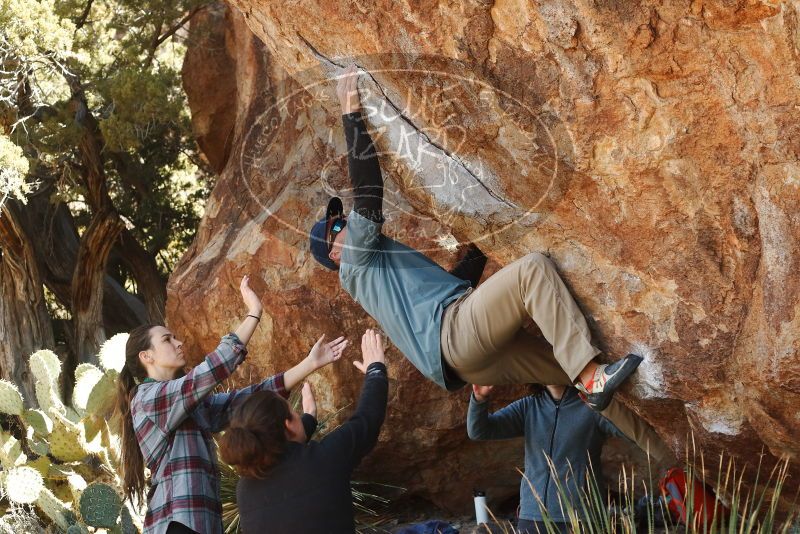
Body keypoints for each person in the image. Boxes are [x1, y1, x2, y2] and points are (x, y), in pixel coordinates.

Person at [307, 65, 668, 457]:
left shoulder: (377, 270)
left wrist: (484, 242)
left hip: (464, 356)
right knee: (533, 272)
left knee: (573, 377)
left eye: (341, 219)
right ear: (335, 253)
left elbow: (454, 283)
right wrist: (350, 112)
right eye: (338, 226)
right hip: (456, 336)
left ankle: (673, 464)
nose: (345, 223)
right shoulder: (357, 265)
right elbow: (369, 191)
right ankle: (591, 376)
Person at [116, 275, 349, 534]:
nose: (179, 342)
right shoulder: (147, 399)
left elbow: (245, 400)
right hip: (176, 523)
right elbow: (211, 370)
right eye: (167, 340)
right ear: (146, 356)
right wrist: (254, 314)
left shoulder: (189, 404)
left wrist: (310, 363)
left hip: (199, 524)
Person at [219, 328, 389, 534]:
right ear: (287, 425)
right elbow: (367, 419)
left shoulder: (245, 491)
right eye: (295, 413)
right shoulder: (325, 459)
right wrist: (376, 369)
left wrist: (309, 417)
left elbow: (284, 453)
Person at [467, 384, 666, 533]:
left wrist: (605, 400)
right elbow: (479, 431)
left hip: (579, 518)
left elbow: (633, 432)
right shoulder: (528, 406)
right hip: (532, 516)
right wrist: (479, 398)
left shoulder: (591, 407)